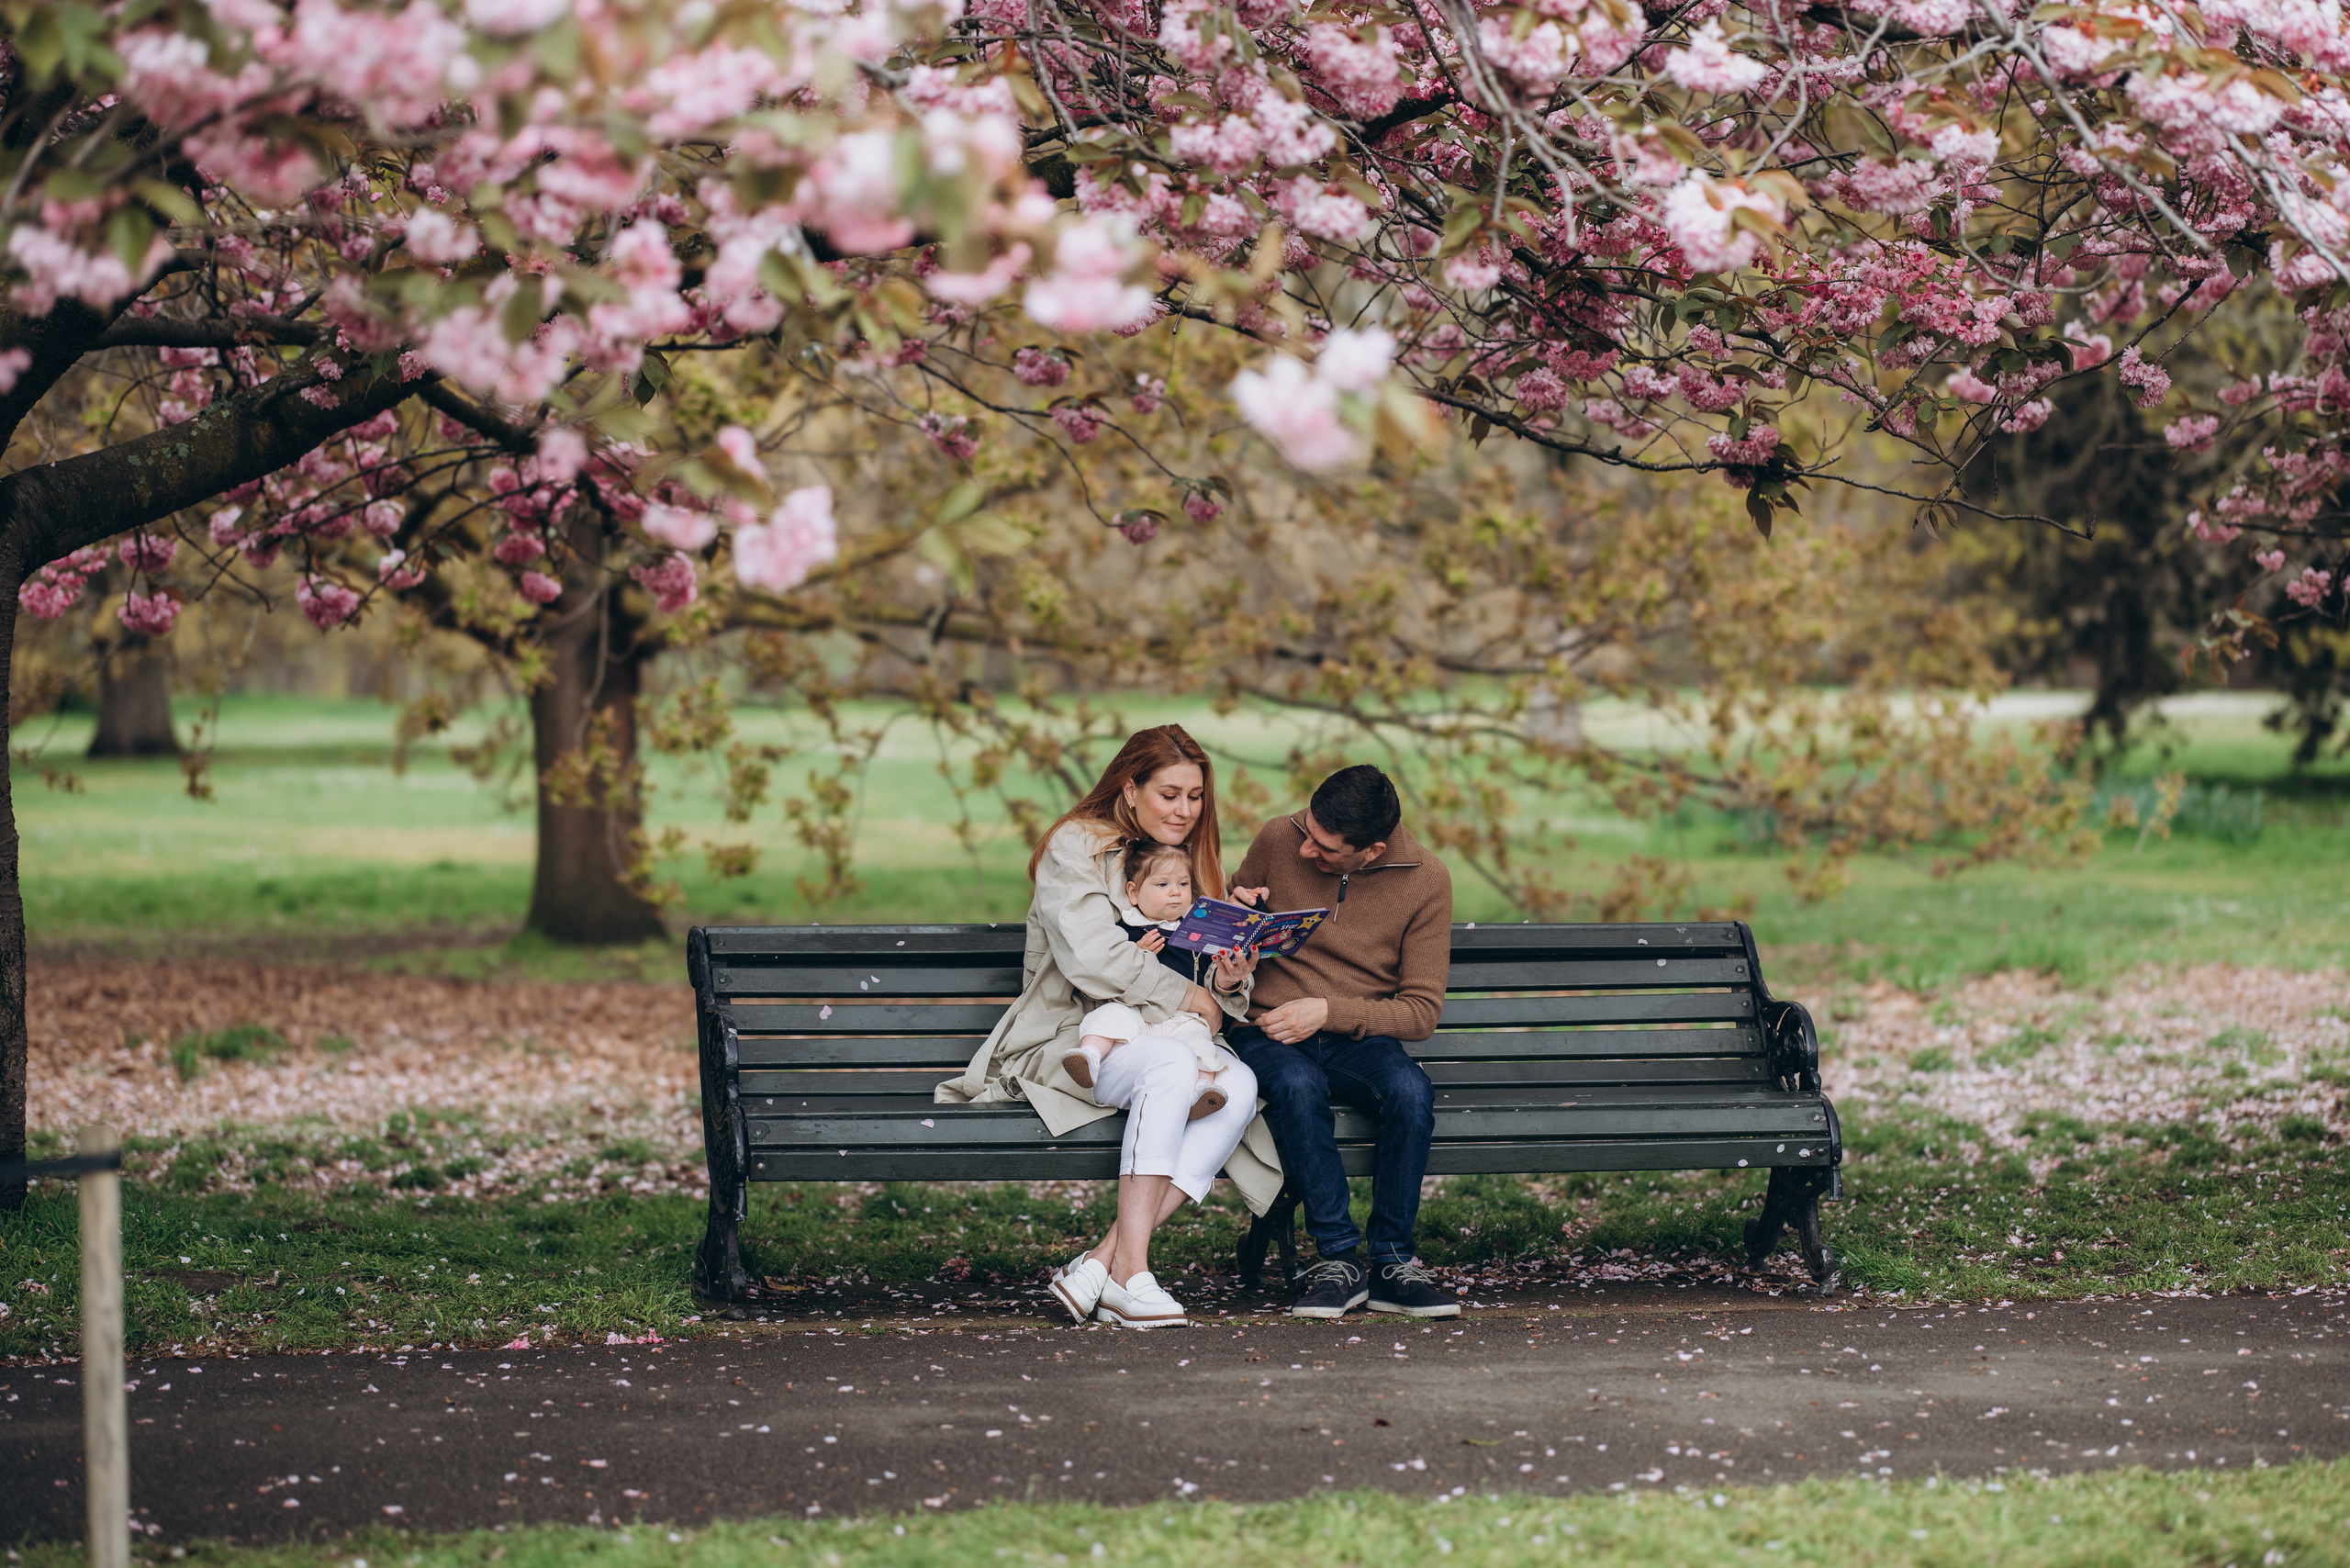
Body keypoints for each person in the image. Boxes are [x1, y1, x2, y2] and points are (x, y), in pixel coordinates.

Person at [934, 724, 1284, 1328]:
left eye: (1195, 796)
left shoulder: (1181, 861)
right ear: (1130, 787)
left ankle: (1102, 1263)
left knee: (1241, 1089)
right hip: (1081, 1039)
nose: (1185, 810)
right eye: (1169, 794)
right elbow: (1092, 958)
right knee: (1174, 1068)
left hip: (1168, 1033)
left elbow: (1203, 978)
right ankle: (1134, 1274)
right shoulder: (1078, 847)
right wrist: (1192, 995)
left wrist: (1229, 980)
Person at [1225, 763, 1458, 1319]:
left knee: (1410, 1093)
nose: (1306, 851)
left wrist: (1329, 1012)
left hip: (1355, 1035)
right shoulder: (1277, 839)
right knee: (1297, 1084)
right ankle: (1336, 1260)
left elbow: (1420, 1013)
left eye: (1325, 849)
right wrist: (1237, 913)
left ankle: (1393, 1263)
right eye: (1307, 831)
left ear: (1371, 851)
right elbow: (1226, 943)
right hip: (1267, 1027)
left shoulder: (1427, 880)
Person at [1062, 840, 1237, 1119]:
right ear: (1133, 892)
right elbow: (1114, 970)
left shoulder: (1196, 933)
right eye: (1162, 885)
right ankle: (1089, 1056)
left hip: (1182, 1018)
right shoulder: (1124, 929)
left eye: (1183, 884)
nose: (1175, 893)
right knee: (1109, 1016)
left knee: (1200, 1038)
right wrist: (1138, 952)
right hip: (1136, 1013)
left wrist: (1228, 975)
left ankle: (1204, 1088)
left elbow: (1210, 977)